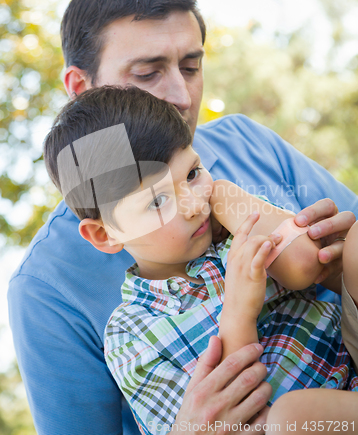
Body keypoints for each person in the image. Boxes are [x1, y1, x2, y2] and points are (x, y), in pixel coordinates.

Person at [7, 0, 358, 435]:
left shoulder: (240, 144)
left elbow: (319, 261)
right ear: (80, 86)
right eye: (148, 73)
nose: (181, 95)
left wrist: (332, 257)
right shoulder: (46, 289)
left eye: (191, 67)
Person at [42, 85, 358, 435]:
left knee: (356, 243)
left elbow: (304, 264)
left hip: (351, 364)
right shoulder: (131, 333)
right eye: (158, 201)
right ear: (105, 235)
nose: (194, 205)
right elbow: (232, 418)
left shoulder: (231, 234)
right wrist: (239, 310)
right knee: (291, 417)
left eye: (193, 174)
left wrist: (226, 196)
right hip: (290, 422)